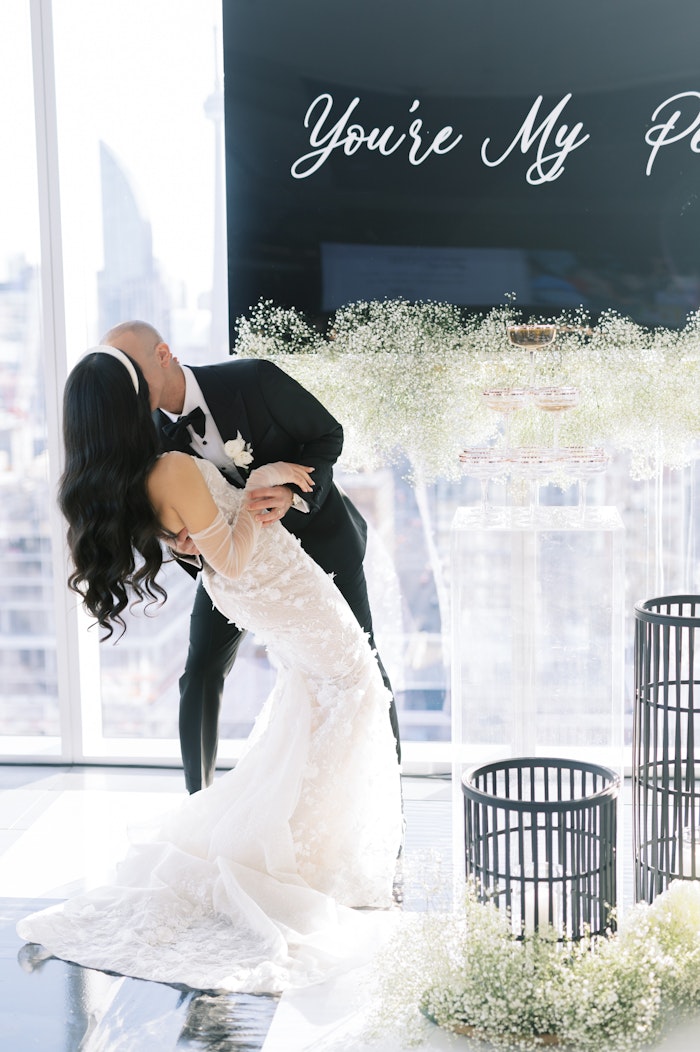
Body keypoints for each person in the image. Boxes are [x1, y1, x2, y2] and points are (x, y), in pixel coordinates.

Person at [17, 347, 403, 992]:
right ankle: (304, 857)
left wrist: (202, 522)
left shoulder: (123, 472)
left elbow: (199, 528)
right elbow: (227, 557)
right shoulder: (168, 459)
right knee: (355, 685)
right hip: (272, 582)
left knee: (319, 692)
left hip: (269, 583)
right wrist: (254, 493)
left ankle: (312, 843)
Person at [101, 320, 401, 793]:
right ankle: (197, 802)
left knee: (362, 667)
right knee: (200, 672)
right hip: (233, 568)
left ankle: (390, 811)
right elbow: (159, 511)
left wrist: (288, 492)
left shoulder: (253, 379)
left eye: (135, 371)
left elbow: (327, 435)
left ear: (163, 354)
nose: (131, 388)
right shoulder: (144, 440)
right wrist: (182, 545)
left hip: (320, 545)